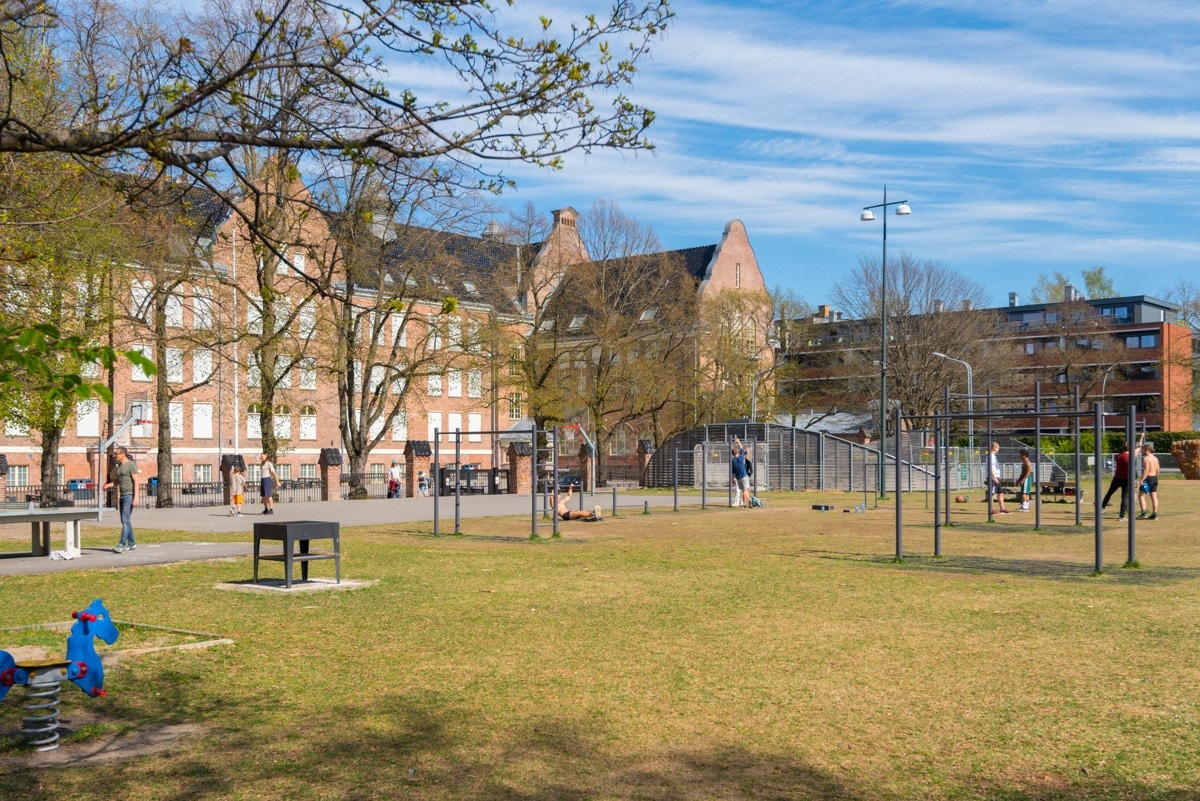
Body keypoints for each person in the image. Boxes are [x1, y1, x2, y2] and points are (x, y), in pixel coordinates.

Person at [103, 446, 139, 552]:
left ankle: (122, 544)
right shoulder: (120, 466)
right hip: (122, 495)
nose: (115, 455)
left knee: (125, 519)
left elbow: (136, 481)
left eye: (117, 454)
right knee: (125, 520)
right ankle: (132, 544)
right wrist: (108, 485)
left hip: (129, 495)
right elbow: (118, 481)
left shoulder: (131, 465)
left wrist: (136, 497)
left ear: (123, 454)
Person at [1101, 442, 1131, 520]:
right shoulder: (1128, 457)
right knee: (1124, 497)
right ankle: (1121, 516)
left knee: (1109, 493)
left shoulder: (1118, 456)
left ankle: (1102, 508)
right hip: (1126, 479)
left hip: (1117, 478)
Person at [1137, 440, 1160, 520]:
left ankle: (1143, 513)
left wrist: (1142, 480)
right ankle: (1154, 514)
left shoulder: (1146, 458)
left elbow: (1146, 470)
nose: (1142, 451)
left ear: (1146, 450)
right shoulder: (1155, 458)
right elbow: (1158, 470)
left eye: (1143, 450)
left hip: (1148, 479)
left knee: (1141, 496)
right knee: (1154, 497)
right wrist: (1155, 477)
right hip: (1154, 478)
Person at [987, 441, 1010, 514]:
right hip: (993, 477)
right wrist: (994, 477)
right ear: (994, 448)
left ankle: (1002, 508)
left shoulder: (994, 456)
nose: (998, 449)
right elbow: (990, 468)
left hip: (996, 476)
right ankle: (991, 509)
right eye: (998, 448)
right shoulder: (990, 456)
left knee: (1000, 492)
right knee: (992, 493)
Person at [730, 435, 751, 509]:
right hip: (744, 476)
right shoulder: (741, 457)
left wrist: (733, 479)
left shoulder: (733, 461)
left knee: (743, 490)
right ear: (737, 453)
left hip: (738, 477)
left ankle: (749, 500)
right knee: (745, 490)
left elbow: (733, 472)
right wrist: (738, 441)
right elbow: (741, 448)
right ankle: (744, 504)